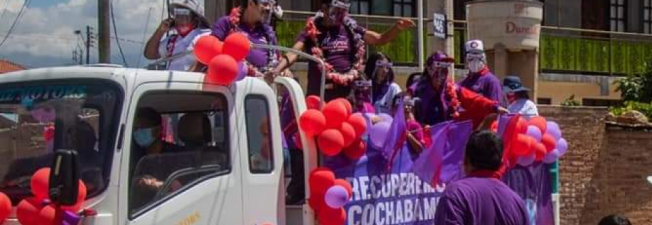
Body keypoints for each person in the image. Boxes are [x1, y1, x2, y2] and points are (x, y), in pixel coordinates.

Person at [267, 0, 415, 100]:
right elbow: (294, 52)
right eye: (335, 11)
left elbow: (378, 39)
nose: (339, 16)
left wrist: (397, 29)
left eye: (342, 12)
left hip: (347, 95)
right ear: (324, 9)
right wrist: (277, 69)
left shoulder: (350, 28)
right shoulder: (312, 29)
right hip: (320, 96)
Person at [408, 51, 503, 128]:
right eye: (438, 67)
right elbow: (406, 115)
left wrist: (494, 107)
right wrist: (420, 127)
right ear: (429, 69)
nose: (442, 72)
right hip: (423, 141)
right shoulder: (416, 90)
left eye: (446, 67)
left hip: (446, 140)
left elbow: (473, 99)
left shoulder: (451, 88)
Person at [212, 0, 280, 77]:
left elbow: (277, 59)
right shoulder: (227, 23)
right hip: (230, 82)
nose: (268, 9)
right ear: (250, 3)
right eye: (265, 4)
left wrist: (282, 70)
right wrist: (239, 45)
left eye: (271, 5)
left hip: (262, 84)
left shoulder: (268, 33)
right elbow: (211, 48)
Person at [143, 0, 211, 72]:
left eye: (184, 15)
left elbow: (208, 57)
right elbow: (149, 54)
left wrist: (187, 76)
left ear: (195, 21)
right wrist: (160, 31)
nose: (179, 20)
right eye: (177, 15)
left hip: (189, 81)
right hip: (170, 81)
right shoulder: (172, 40)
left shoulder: (204, 36)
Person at [459, 40, 504, 105]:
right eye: (470, 57)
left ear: (484, 57)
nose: (475, 60)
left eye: (478, 56)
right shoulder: (463, 83)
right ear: (465, 59)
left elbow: (496, 109)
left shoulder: (492, 81)